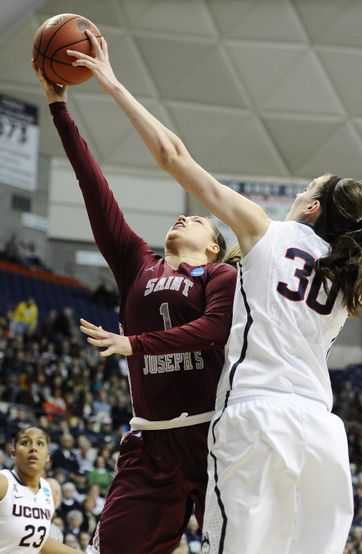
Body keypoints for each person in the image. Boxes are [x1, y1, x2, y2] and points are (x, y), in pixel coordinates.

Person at [61, 30, 362, 554]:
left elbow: (174, 156)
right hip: (321, 433)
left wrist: (112, 85)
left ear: (310, 208)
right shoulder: (349, 270)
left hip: (257, 416)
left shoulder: (264, 232)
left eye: (305, 188)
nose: (298, 193)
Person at [33, 55, 237, 553]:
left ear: (213, 245)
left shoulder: (222, 274)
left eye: (196, 220)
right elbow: (94, 189)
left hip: (217, 441)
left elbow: (214, 329)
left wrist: (134, 343)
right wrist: (59, 107)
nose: (183, 218)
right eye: (180, 216)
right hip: (152, 443)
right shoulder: (137, 263)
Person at [0, 426, 84, 553]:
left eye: (40, 443)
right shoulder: (4, 482)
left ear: (47, 456)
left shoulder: (47, 490)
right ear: (13, 454)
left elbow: (39, 541)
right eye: (25, 443)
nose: (33, 448)